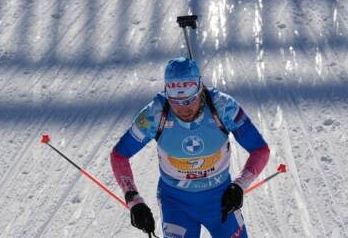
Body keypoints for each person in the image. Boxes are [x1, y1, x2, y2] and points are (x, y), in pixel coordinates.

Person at [110, 57, 270, 238]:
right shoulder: (154, 115)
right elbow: (119, 156)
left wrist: (239, 185)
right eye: (175, 102)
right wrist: (134, 200)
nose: (183, 109)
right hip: (176, 203)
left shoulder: (223, 107)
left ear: (200, 90)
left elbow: (260, 150)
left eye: (189, 100)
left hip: (220, 200)